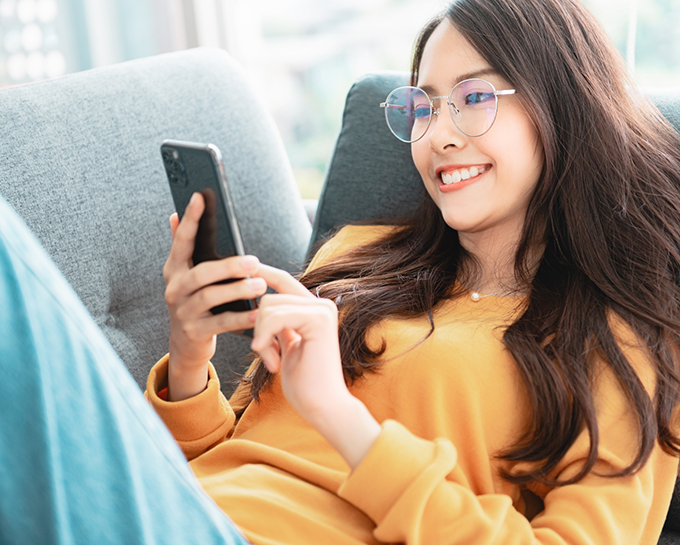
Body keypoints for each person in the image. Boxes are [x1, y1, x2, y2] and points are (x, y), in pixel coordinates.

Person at [1, 0, 680, 544]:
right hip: (174, 508)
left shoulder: (618, 340)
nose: (436, 134)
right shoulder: (358, 256)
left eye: (473, 99)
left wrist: (338, 412)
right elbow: (227, 453)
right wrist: (189, 355)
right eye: (421, 106)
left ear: (562, 102)